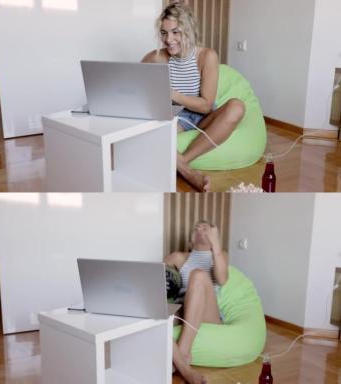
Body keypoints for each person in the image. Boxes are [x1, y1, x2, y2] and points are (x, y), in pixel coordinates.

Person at [142, 3, 245, 192]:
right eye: (164, 33)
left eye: (175, 32)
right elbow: (136, 82)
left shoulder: (206, 56)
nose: (169, 39)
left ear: (187, 30)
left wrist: (172, 94)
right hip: (177, 117)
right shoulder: (157, 58)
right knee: (146, 131)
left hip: (202, 116)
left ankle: (182, 163)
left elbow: (206, 105)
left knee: (237, 107)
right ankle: (188, 171)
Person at [164, 220, 229, 384]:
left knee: (198, 275)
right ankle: (184, 368)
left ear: (215, 236)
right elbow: (153, 278)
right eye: (197, 228)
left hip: (208, 313)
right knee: (155, 312)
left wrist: (216, 245)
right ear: (191, 238)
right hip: (183, 311)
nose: (200, 229)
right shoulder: (178, 257)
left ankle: (183, 352)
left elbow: (222, 279)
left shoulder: (220, 255)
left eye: (206, 228)